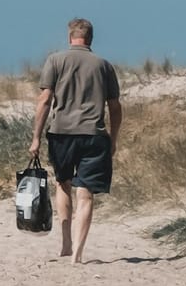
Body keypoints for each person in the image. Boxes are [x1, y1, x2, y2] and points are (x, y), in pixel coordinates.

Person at [27, 18, 123, 263]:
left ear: (70, 37)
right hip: (94, 134)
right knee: (86, 193)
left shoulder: (56, 60)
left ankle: (66, 243)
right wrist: (113, 138)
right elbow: (114, 106)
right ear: (90, 38)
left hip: (61, 133)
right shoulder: (104, 65)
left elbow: (45, 100)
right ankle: (78, 253)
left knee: (62, 184)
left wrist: (36, 138)